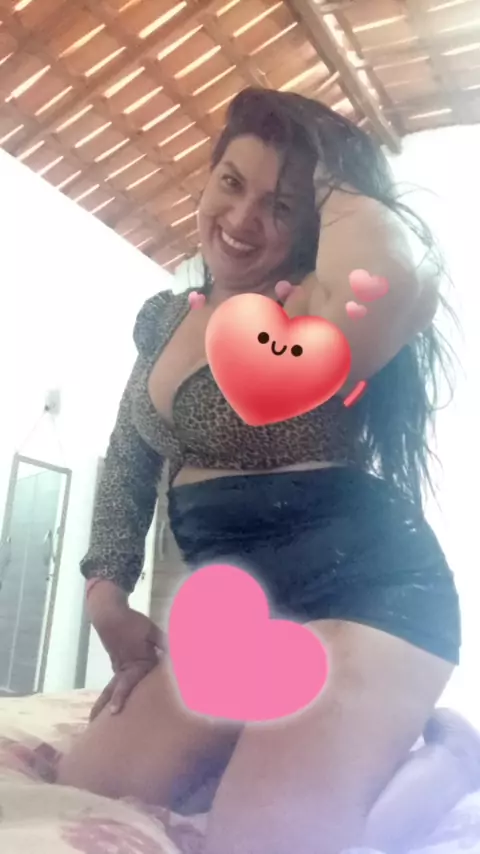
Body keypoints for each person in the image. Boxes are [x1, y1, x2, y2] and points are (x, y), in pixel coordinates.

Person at [57, 88, 479, 854]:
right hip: (244, 615)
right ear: (207, 176)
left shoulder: (318, 309)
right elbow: (128, 458)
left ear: (313, 220)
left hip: (367, 596)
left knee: (260, 840)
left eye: (279, 207)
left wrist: (325, 166)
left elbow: (393, 274)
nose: (243, 219)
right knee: (88, 781)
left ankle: (448, 764)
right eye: (231, 183)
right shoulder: (165, 317)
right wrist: (106, 595)